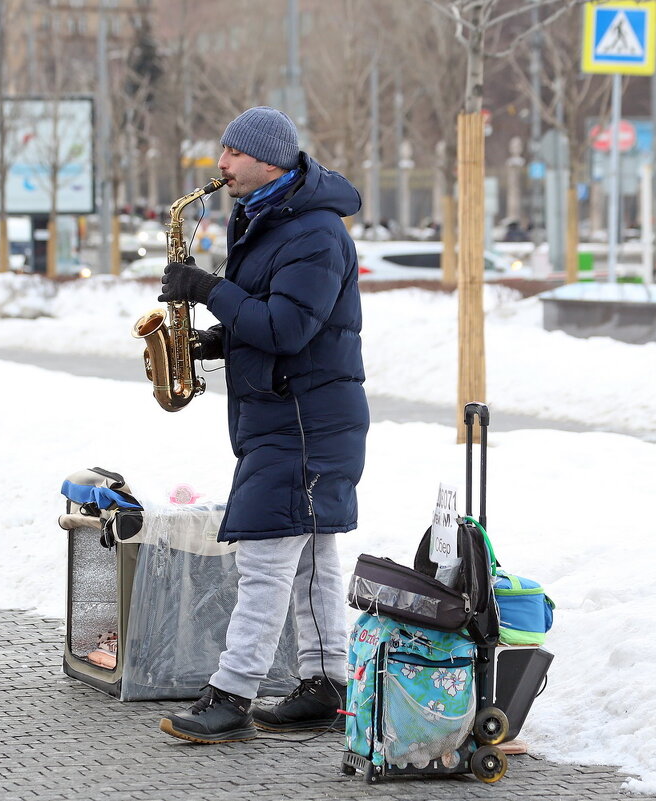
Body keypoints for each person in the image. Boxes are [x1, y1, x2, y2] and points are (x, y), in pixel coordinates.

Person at [155, 106, 369, 744]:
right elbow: (273, 324)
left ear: (268, 157)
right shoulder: (266, 221)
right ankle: (327, 684)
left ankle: (231, 695)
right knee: (311, 562)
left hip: (304, 422)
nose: (219, 164)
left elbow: (287, 327)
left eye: (230, 152)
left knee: (266, 559)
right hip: (288, 413)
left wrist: (206, 289)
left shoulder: (315, 232)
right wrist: (213, 344)